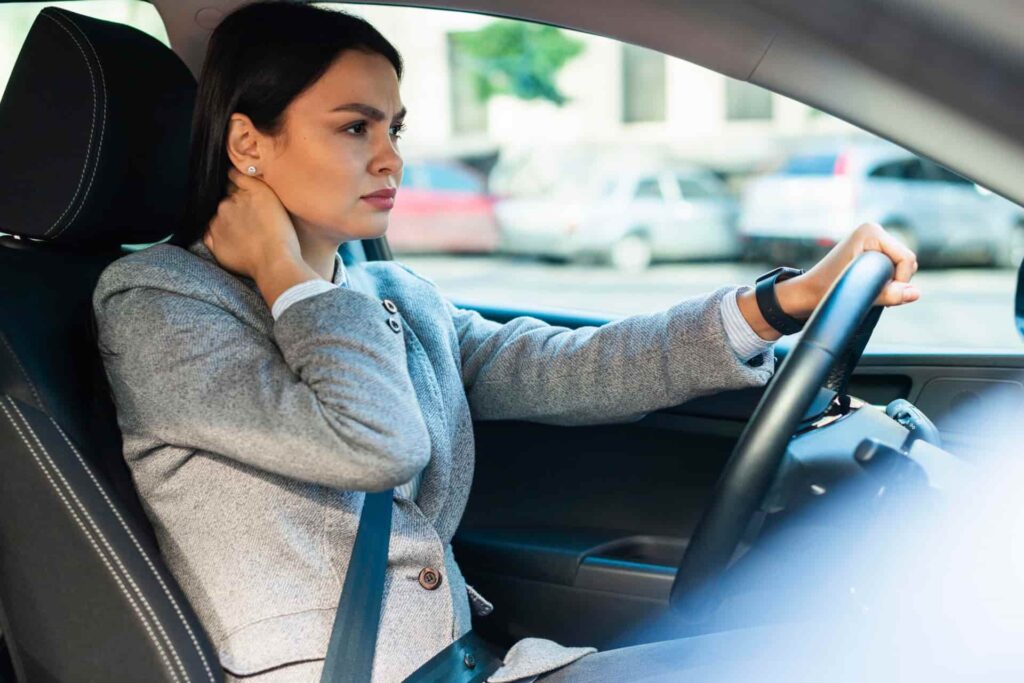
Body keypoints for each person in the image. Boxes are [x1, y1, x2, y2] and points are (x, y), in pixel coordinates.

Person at [91, 2, 920, 681]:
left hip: (470, 663)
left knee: (863, 653)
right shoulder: (158, 306)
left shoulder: (390, 296)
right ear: (248, 144)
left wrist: (781, 301)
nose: (391, 159)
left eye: (395, 128)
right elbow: (375, 441)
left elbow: (571, 365)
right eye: (354, 129)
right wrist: (284, 272)